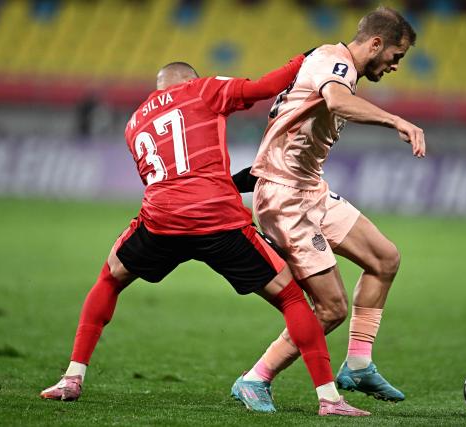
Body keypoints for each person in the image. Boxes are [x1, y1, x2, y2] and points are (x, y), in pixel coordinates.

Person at [39, 54, 369, 417]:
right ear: (188, 80)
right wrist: (307, 58)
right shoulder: (203, 90)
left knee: (110, 279)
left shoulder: (135, 122)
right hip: (219, 220)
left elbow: (161, 177)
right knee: (292, 299)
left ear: (159, 86)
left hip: (162, 221)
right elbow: (264, 87)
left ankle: (72, 377)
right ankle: (328, 399)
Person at [230, 6, 426, 412]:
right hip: (285, 198)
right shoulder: (332, 62)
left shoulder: (336, 67)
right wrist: (397, 122)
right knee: (331, 308)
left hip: (309, 189)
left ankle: (357, 364)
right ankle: (255, 378)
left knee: (385, 258)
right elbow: (337, 103)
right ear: (376, 43)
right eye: (395, 56)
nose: (394, 66)